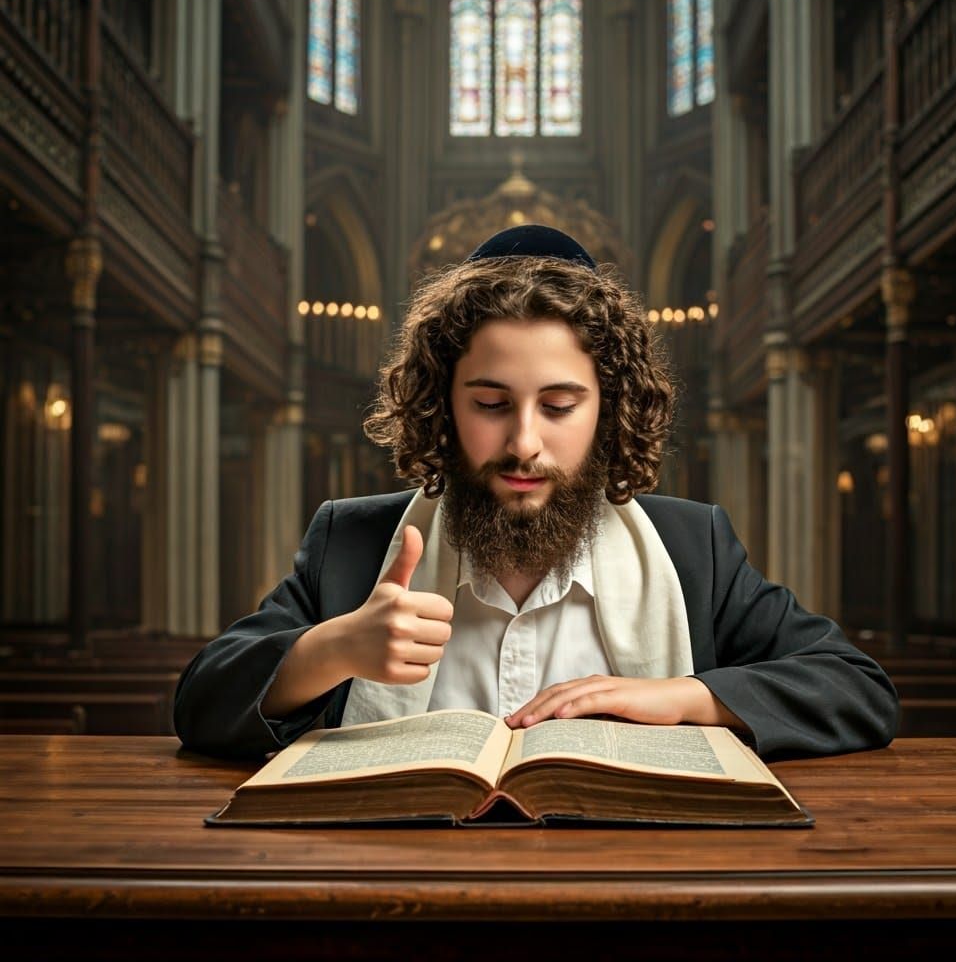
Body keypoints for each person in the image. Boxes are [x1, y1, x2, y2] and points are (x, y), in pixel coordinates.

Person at [174, 224, 899, 761]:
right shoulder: (353, 544)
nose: (524, 442)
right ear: (442, 407)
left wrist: (685, 700)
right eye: (491, 404)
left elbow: (857, 689)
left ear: (607, 410)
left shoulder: (693, 547)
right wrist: (332, 649)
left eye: (558, 406)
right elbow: (200, 703)